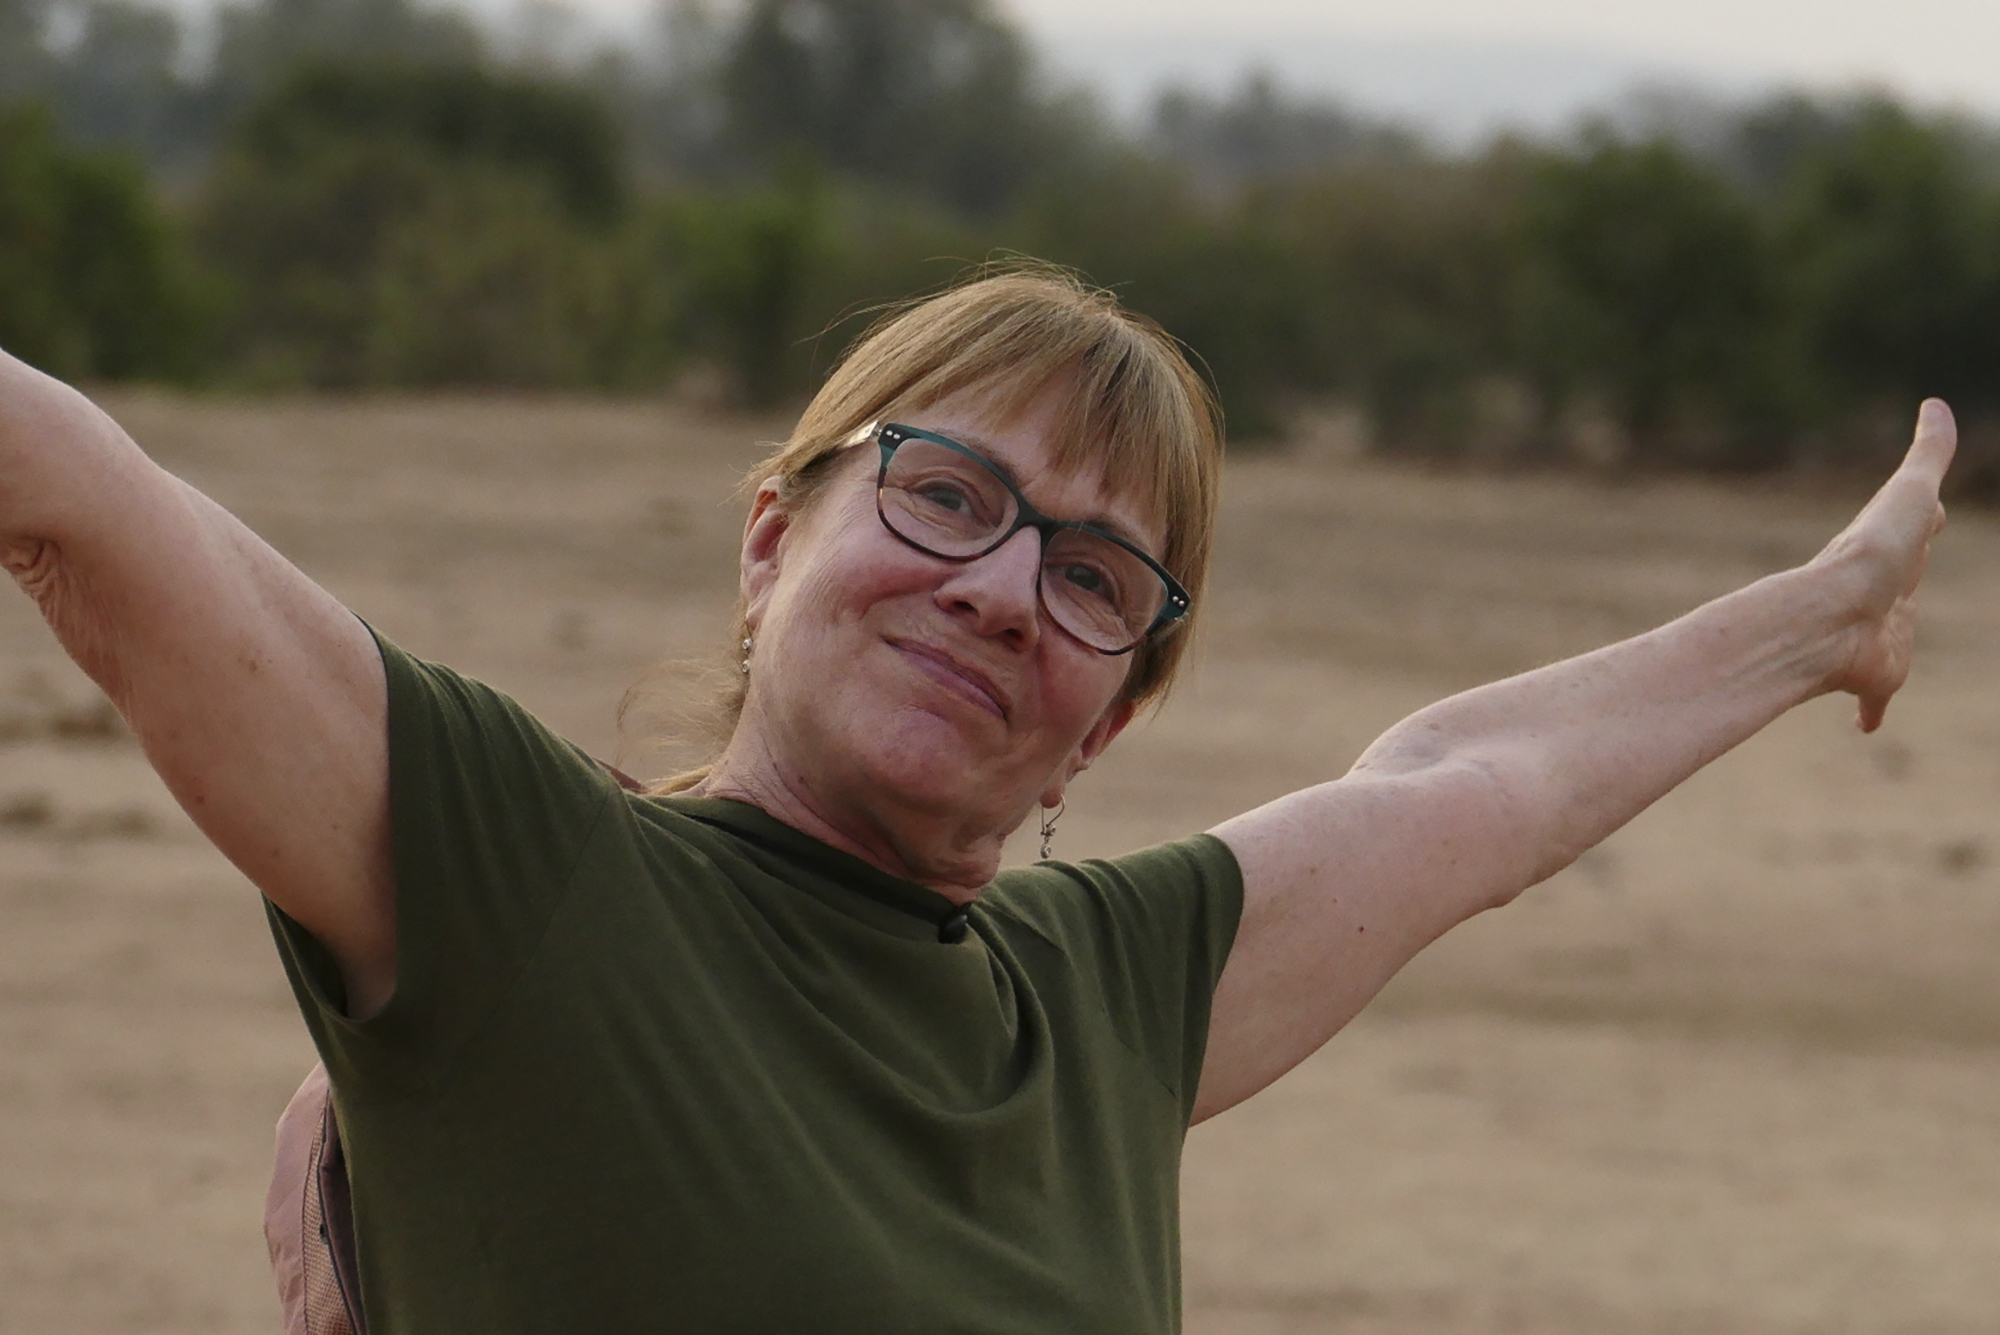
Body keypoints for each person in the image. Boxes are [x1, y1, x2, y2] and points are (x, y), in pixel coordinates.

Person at [0, 267, 1953, 1334]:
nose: (1003, 585)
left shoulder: (1110, 990)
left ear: (1103, 722)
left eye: (1096, 577)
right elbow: (76, 490)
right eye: (942, 492)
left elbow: (1465, 779)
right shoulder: (521, 883)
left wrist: (1821, 617)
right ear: (774, 535)